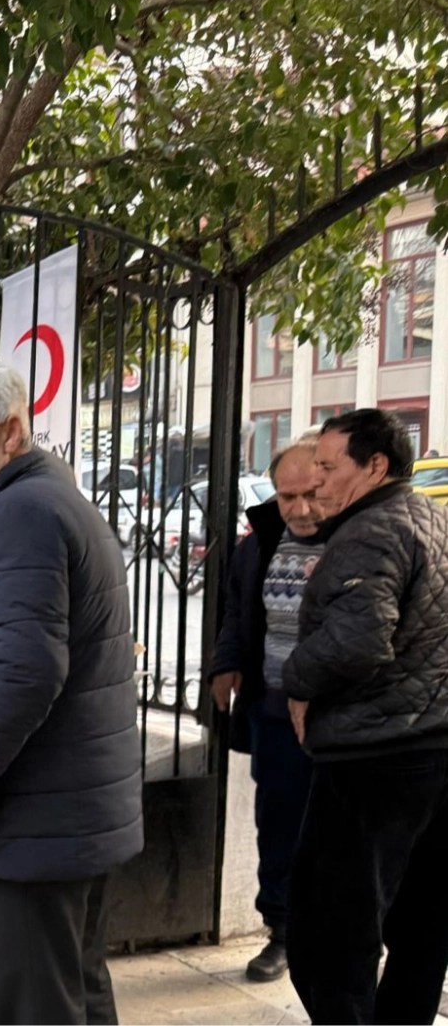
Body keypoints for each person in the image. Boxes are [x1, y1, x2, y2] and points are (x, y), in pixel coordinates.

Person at [0, 356, 142, 1026]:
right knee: (74, 992)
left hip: (32, 820)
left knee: (35, 1006)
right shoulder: (36, 501)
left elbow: (26, 670)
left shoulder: (20, 512)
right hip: (57, 814)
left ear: (10, 433)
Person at [282, 408, 448, 1025]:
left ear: (375, 466)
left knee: (329, 942)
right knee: (421, 928)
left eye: (328, 466)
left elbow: (357, 641)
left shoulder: (371, 530)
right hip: (428, 753)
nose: (318, 480)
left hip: (374, 762)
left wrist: (295, 681)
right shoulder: (428, 518)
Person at [207, 433, 323, 983]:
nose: (300, 509)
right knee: (277, 826)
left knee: (337, 833)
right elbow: (237, 611)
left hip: (339, 721)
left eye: (311, 494)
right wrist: (225, 664)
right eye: (287, 496)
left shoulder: (357, 539)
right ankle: (281, 931)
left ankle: (340, 934)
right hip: (274, 715)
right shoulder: (258, 544)